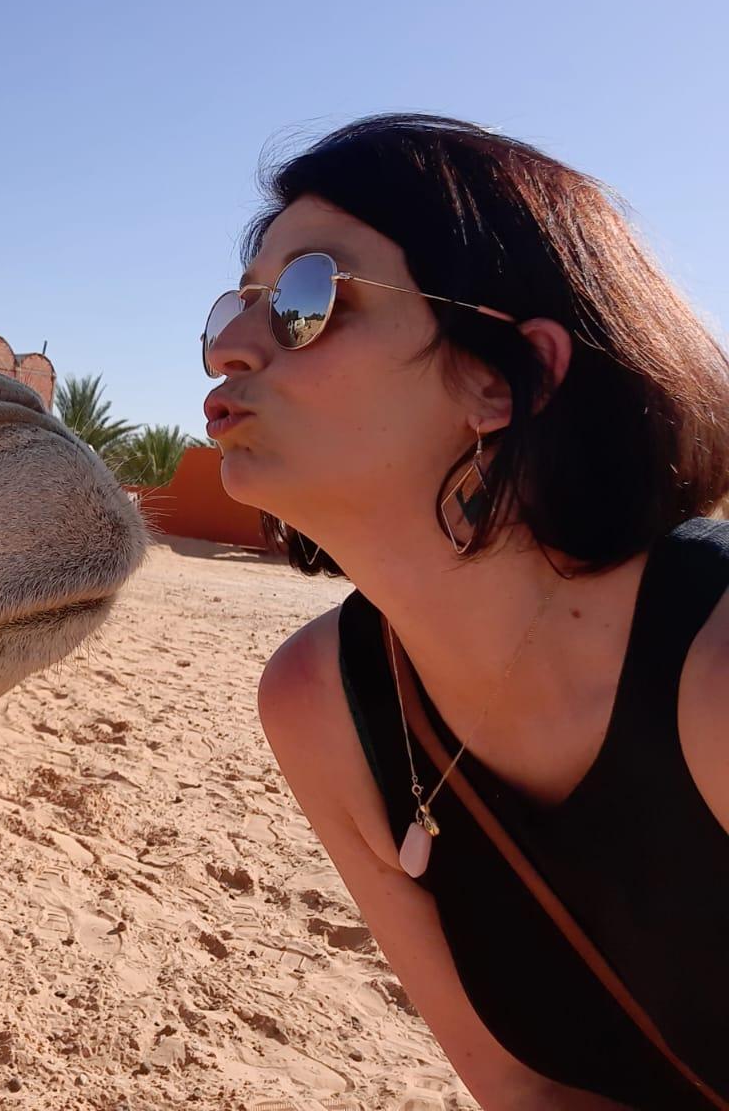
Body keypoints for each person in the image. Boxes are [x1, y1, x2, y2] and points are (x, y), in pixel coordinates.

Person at [202, 115, 729, 1109]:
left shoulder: (714, 664)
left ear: (502, 379)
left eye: (306, 299)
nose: (226, 347)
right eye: (234, 304)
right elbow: (521, 1090)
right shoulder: (320, 706)